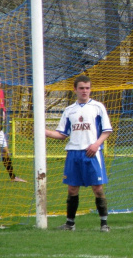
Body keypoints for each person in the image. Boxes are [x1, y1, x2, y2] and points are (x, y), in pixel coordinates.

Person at [45, 75, 113, 232]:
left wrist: (96, 144)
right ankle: (70, 224)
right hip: (73, 153)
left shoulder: (98, 107)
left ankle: (104, 224)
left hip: (92, 153)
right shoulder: (69, 110)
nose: (85, 91)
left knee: (98, 188)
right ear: (75, 89)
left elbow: (107, 130)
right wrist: (45, 132)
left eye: (87, 88)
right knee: (72, 189)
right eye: (81, 88)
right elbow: (62, 134)